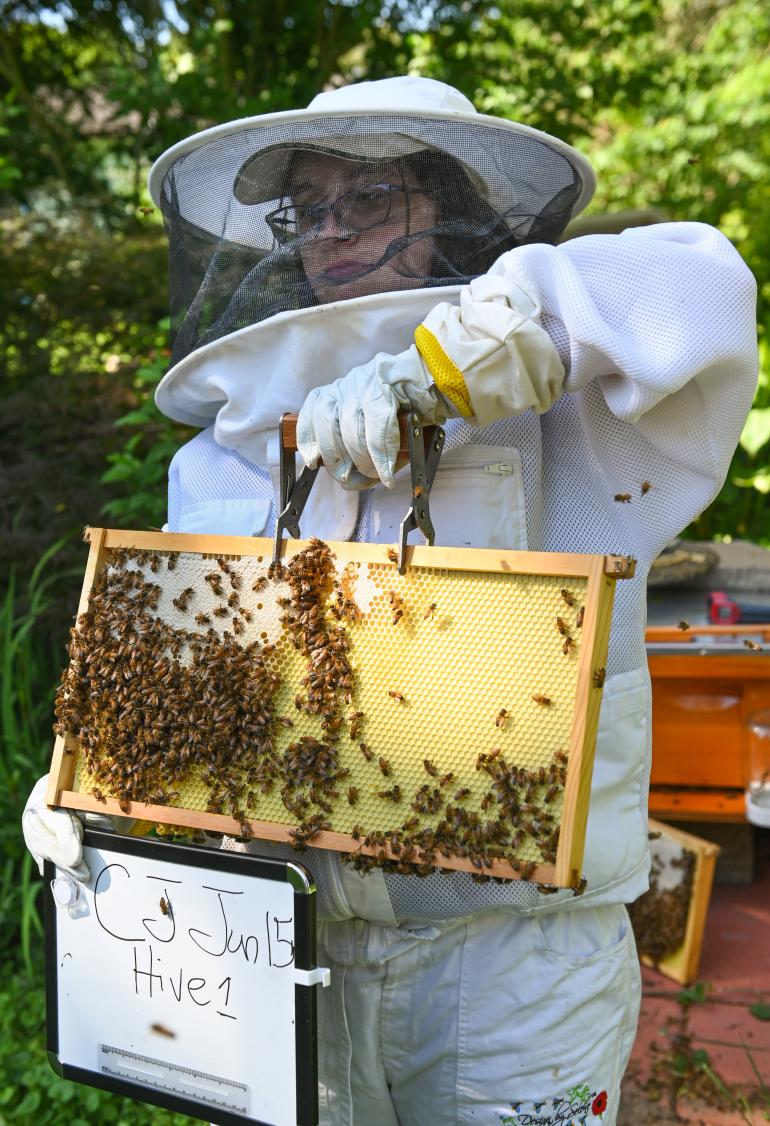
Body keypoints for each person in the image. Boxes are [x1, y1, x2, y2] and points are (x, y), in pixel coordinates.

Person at [24, 76, 758, 1124]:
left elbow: (697, 287)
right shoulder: (228, 451)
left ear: (452, 211)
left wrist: (450, 370)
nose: (328, 233)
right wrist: (97, 790)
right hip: (292, 946)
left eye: (366, 200)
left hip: (514, 965)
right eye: (307, 208)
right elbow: (200, 692)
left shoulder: (577, 428)